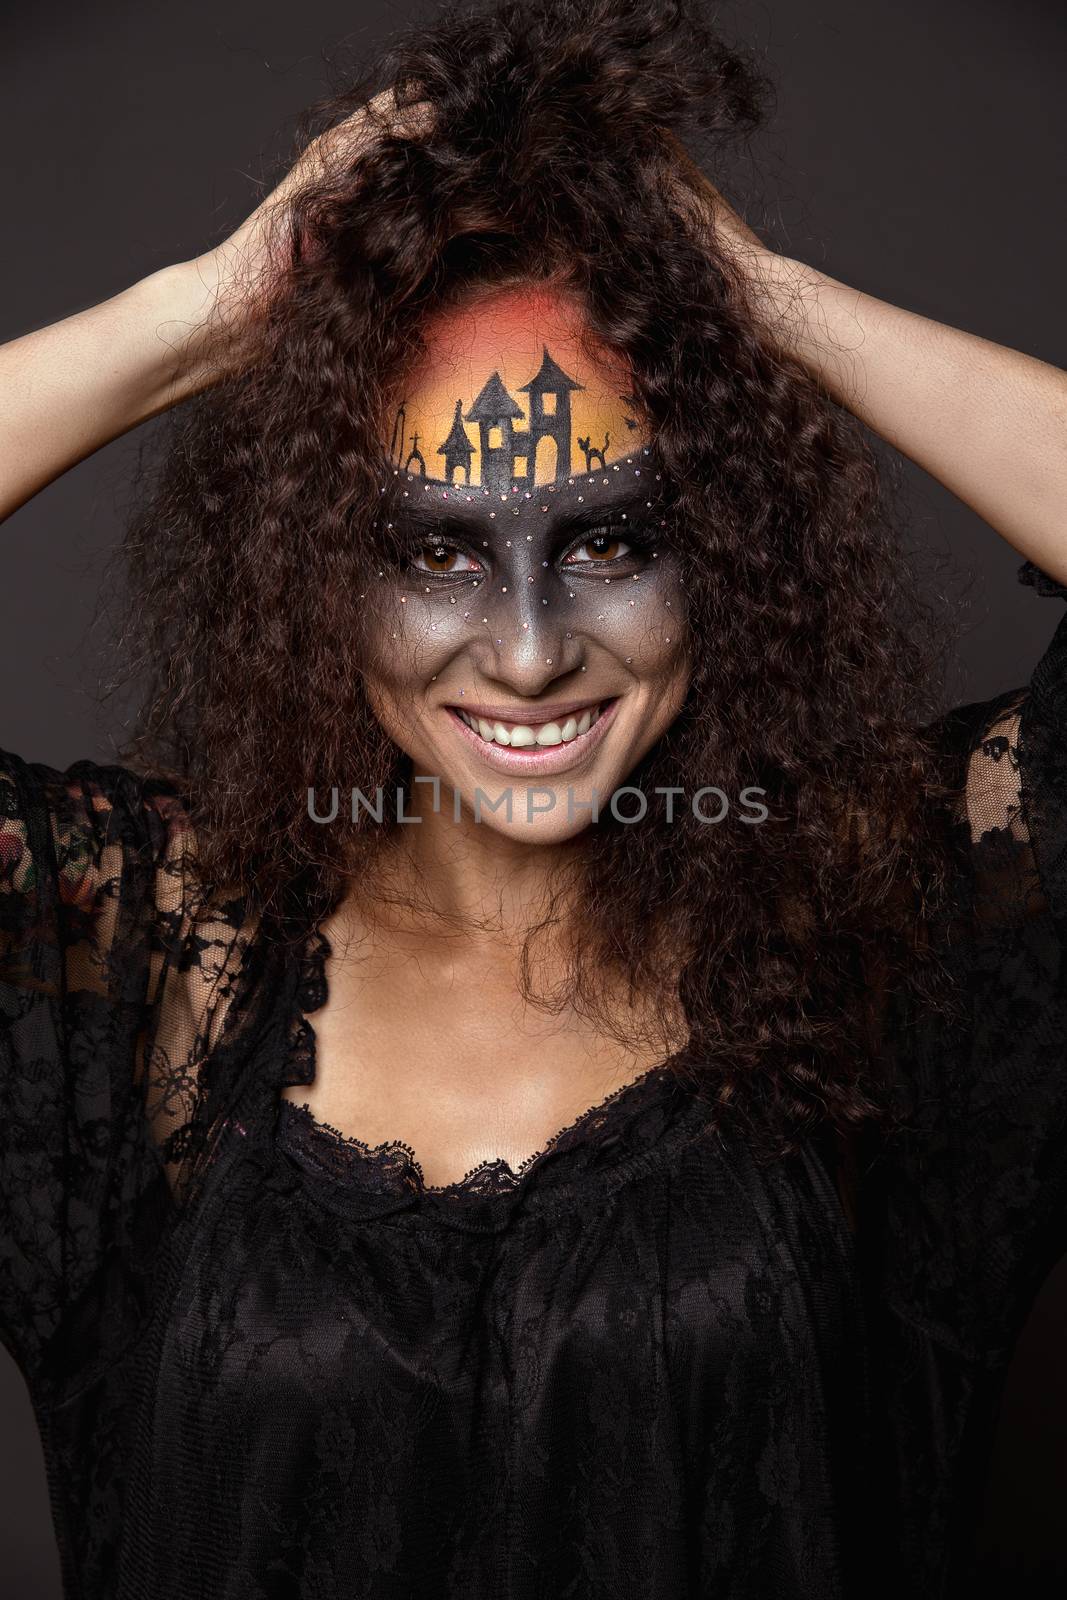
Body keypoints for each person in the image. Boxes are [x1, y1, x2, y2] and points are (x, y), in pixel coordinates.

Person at [1, 1, 1065, 1595]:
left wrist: (761, 306)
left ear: (731, 554)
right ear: (311, 575)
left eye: (615, 543)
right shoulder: (153, 955)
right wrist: (200, 315)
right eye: (433, 552)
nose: (526, 652)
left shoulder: (869, 916)